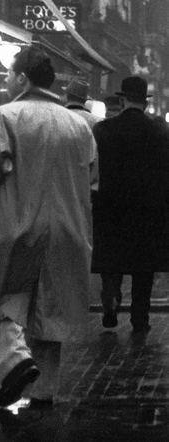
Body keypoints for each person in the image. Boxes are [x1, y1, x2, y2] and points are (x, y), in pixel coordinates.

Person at [0, 46, 95, 407]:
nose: (5, 81)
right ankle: (44, 391)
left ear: (22, 78)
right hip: (69, 230)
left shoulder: (7, 116)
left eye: (8, 74)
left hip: (14, 225)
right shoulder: (78, 125)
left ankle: (15, 361)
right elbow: (92, 181)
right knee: (51, 313)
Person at [91, 76, 169, 334]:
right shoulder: (160, 132)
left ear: (122, 99)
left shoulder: (103, 131)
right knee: (143, 267)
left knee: (112, 262)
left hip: (111, 207)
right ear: (145, 103)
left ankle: (111, 302)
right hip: (147, 209)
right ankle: (140, 318)